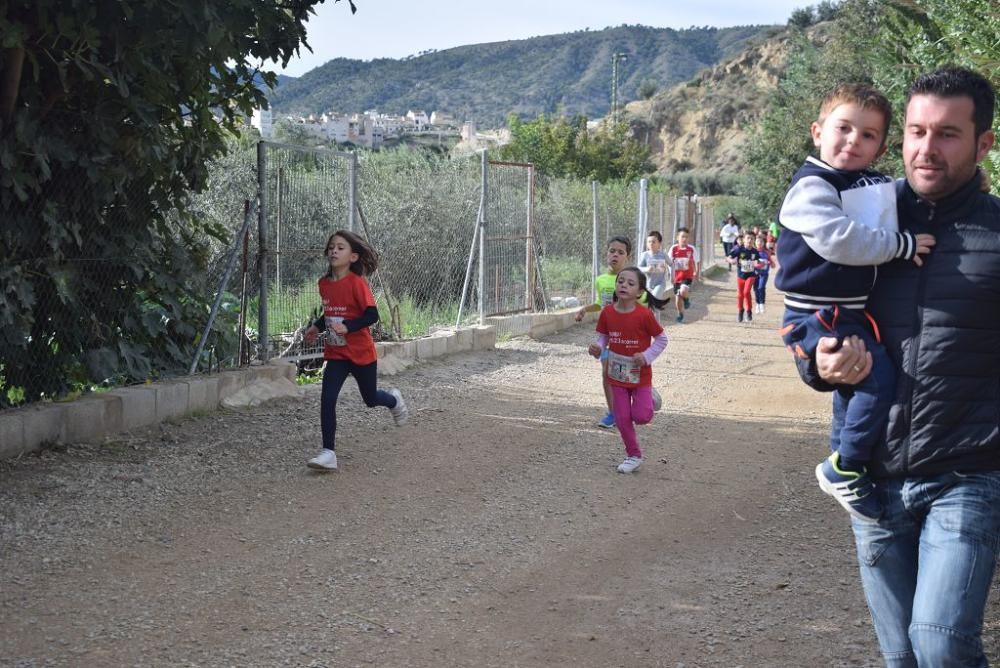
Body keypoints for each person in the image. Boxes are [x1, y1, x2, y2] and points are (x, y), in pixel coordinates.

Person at [805, 66, 999, 666]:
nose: (926, 149)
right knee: (901, 657)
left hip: (967, 474)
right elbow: (815, 312)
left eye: (946, 134)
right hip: (873, 479)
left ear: (983, 143)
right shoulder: (861, 219)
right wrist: (818, 363)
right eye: (916, 131)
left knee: (940, 644)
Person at [775, 82, 935, 522]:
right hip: (816, 312)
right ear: (817, 131)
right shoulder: (812, 187)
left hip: (845, 309)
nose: (852, 140)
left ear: (881, 148)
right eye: (843, 128)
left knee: (857, 382)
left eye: (867, 135)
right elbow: (839, 240)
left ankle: (846, 458)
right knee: (875, 379)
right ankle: (844, 466)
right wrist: (902, 245)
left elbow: (898, 194)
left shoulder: (862, 183)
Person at [302, 230, 409, 471]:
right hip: (336, 353)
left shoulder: (357, 283)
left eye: (340, 248)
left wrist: (348, 327)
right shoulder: (324, 284)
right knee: (327, 399)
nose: (334, 251)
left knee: (370, 399)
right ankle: (328, 452)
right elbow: (331, 314)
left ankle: (394, 400)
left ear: (353, 257)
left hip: (360, 353)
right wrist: (316, 327)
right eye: (331, 247)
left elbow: (372, 315)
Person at [587, 267, 669, 473]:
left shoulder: (644, 315)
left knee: (641, 416)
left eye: (630, 283)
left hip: (640, 375)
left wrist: (647, 356)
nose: (623, 285)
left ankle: (649, 397)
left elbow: (661, 339)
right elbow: (603, 337)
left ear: (639, 292)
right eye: (621, 281)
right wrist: (597, 348)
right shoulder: (607, 312)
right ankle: (633, 455)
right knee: (622, 417)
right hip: (617, 376)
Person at [576, 236, 634, 429]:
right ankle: (613, 413)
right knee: (606, 371)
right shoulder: (601, 280)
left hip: (627, 335)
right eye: (612, 251)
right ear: (606, 253)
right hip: (607, 333)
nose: (615, 255)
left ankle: (641, 396)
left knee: (625, 374)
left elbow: (641, 305)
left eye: (620, 252)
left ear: (628, 256)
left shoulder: (632, 279)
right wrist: (586, 308)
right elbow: (601, 303)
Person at [667, 227, 699, 323]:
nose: (684, 239)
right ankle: (680, 313)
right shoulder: (673, 249)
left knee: (683, 290)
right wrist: (670, 275)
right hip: (677, 277)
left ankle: (686, 299)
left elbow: (696, 261)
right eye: (682, 236)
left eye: (686, 237)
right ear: (678, 237)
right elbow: (669, 263)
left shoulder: (691, 249)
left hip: (687, 276)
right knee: (677, 300)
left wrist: (696, 272)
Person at [637, 230, 670, 318]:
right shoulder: (644, 255)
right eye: (649, 242)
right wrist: (647, 269)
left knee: (654, 300)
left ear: (659, 243)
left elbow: (671, 264)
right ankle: (656, 326)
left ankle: (655, 327)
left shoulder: (663, 255)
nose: (651, 244)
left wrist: (672, 275)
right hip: (648, 284)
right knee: (654, 306)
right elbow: (638, 268)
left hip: (660, 283)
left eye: (654, 242)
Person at [727, 231, 759, 322]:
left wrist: (760, 263)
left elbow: (758, 261)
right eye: (748, 238)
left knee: (746, 292)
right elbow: (728, 257)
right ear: (744, 240)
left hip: (751, 275)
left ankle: (749, 311)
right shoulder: (739, 249)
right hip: (740, 275)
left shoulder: (755, 251)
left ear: (754, 241)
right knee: (740, 295)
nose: (750, 240)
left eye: (752, 239)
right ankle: (741, 310)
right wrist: (731, 260)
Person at [752, 233, 774, 314]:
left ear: (764, 243)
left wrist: (770, 263)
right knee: (755, 289)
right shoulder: (753, 252)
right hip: (754, 274)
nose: (759, 243)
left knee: (761, 288)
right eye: (757, 241)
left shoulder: (767, 252)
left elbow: (771, 262)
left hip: (764, 274)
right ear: (755, 242)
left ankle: (762, 304)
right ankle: (757, 304)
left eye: (761, 241)